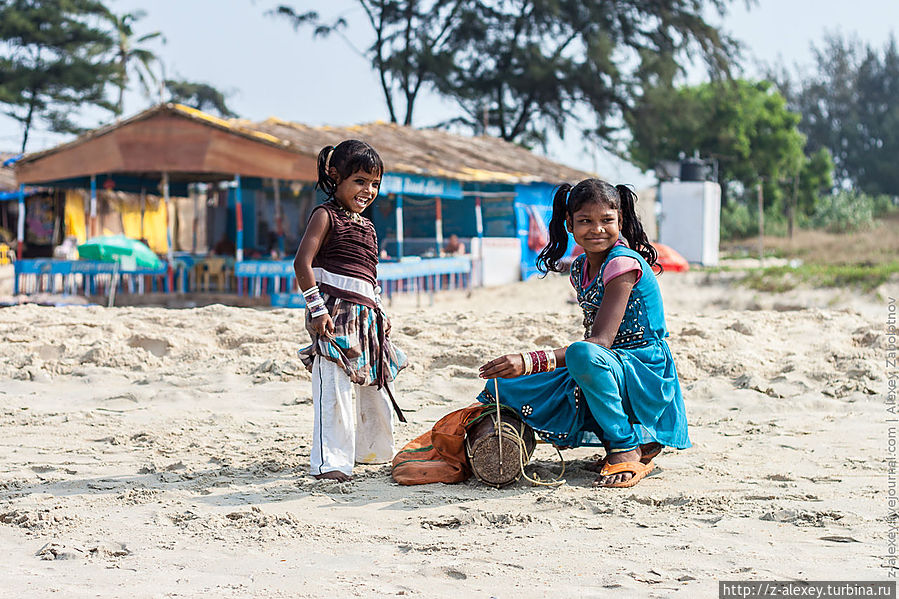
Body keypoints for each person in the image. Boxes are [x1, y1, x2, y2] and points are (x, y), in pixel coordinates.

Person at [477, 179, 690, 488]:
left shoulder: (622, 263)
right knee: (502, 385)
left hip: (643, 370)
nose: (597, 229)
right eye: (585, 221)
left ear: (620, 221)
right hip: (606, 364)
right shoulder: (579, 269)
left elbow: (600, 342)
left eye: (607, 220)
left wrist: (530, 360)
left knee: (580, 353)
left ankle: (626, 446)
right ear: (569, 224)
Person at [293, 140, 407, 483]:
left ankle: (373, 452)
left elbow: (370, 278)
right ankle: (331, 462)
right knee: (335, 389)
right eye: (359, 181)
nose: (367, 191)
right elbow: (302, 263)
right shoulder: (324, 215)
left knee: (375, 387)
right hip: (333, 315)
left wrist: (380, 312)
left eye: (374, 184)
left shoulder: (368, 227)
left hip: (367, 320)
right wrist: (316, 309)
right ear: (335, 176)